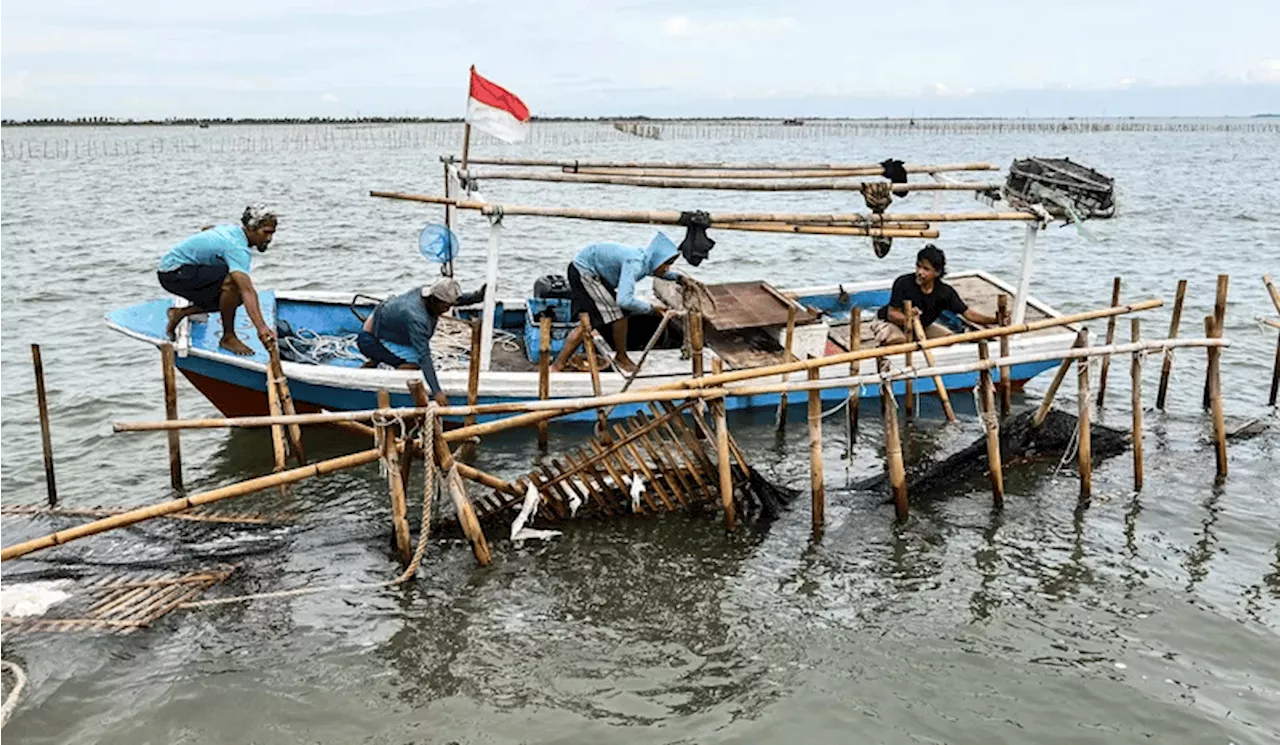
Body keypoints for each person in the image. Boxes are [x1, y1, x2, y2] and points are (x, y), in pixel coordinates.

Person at [551, 232, 688, 373]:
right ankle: (620, 356)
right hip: (585, 272)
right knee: (618, 315)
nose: (667, 269)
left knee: (589, 323)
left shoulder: (645, 259)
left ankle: (558, 365)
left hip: (585, 268)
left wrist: (679, 278)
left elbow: (658, 272)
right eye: (666, 264)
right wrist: (651, 309)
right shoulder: (635, 263)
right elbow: (624, 300)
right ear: (657, 259)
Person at [158, 204, 279, 356]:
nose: (269, 238)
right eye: (265, 232)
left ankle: (181, 313)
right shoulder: (237, 248)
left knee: (232, 294)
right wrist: (262, 328)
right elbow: (247, 290)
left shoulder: (234, 231)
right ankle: (228, 337)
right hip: (173, 273)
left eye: (272, 233)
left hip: (181, 269)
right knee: (235, 286)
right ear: (251, 229)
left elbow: (208, 230)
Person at [356, 278, 486, 406]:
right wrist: (436, 391)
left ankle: (378, 358)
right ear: (434, 300)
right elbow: (424, 356)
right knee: (413, 366)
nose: (447, 310)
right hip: (370, 339)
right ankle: (384, 365)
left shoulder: (428, 293)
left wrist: (477, 296)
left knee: (415, 356)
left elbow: (456, 300)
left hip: (387, 326)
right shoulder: (417, 318)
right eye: (445, 306)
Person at [869, 244, 998, 346]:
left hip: (921, 326)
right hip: (889, 322)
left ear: (937, 272)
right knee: (899, 342)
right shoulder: (903, 283)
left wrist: (995, 320)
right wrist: (908, 318)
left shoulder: (945, 292)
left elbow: (969, 314)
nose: (920, 272)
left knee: (949, 340)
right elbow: (892, 314)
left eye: (926, 269)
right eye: (918, 267)